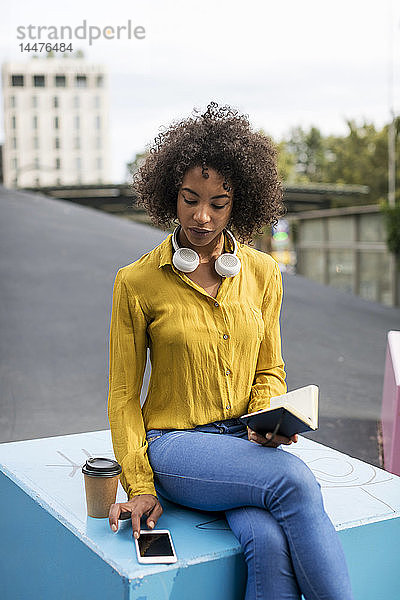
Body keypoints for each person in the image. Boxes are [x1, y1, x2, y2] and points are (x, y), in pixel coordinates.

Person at [107, 102, 354, 600]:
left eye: (218, 204)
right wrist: (138, 484)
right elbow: (121, 394)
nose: (201, 216)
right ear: (168, 196)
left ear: (238, 203)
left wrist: (268, 420)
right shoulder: (136, 283)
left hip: (243, 443)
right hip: (177, 446)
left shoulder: (263, 273)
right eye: (189, 199)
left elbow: (270, 366)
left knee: (265, 539)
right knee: (295, 483)